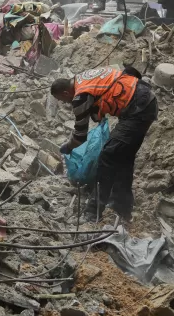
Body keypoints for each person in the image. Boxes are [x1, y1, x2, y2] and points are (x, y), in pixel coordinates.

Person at [50, 66, 158, 222]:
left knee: (107, 156)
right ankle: (122, 208)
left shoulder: (80, 96)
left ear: (66, 93)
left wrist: (68, 147)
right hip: (144, 98)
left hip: (137, 108)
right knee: (124, 158)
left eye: (62, 99)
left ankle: (93, 212)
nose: (65, 103)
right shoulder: (83, 77)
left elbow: (80, 136)